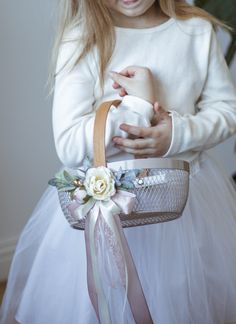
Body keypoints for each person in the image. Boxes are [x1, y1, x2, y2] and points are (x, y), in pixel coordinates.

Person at [1, 0, 236, 323]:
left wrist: (175, 135)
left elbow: (227, 109)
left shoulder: (195, 30)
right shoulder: (85, 37)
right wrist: (138, 104)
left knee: (183, 298)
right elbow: (69, 144)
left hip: (186, 205)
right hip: (107, 210)